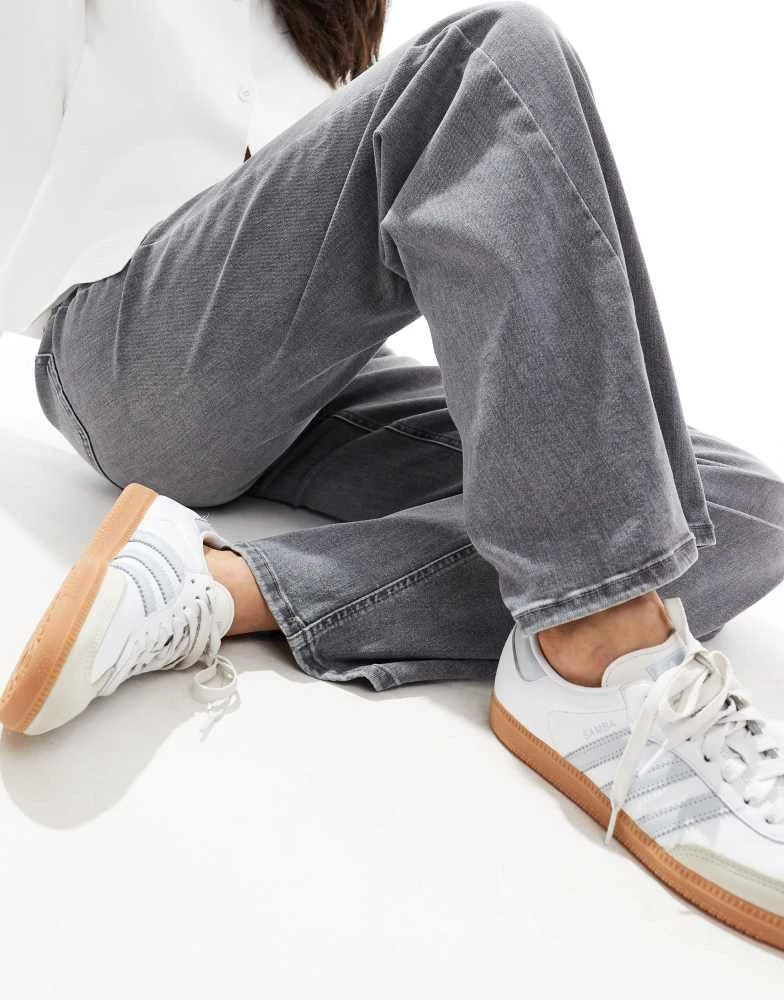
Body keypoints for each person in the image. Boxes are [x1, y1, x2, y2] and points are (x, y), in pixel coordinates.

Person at [1, 0, 782, 950]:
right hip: (124, 351)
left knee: (731, 505)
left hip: (311, 380)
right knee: (492, 56)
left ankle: (221, 587)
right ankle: (602, 659)